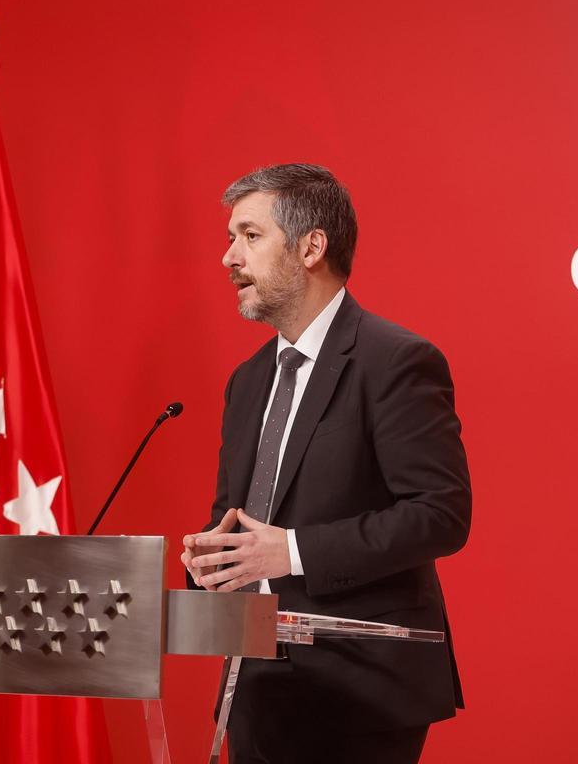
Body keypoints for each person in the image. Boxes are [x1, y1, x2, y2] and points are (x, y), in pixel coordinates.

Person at [181, 163, 472, 764]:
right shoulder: (248, 381)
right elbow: (232, 522)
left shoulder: (396, 361)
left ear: (312, 246)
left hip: (359, 691)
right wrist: (209, 562)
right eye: (231, 238)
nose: (229, 257)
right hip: (256, 688)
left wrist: (290, 552)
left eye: (250, 236)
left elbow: (440, 514)